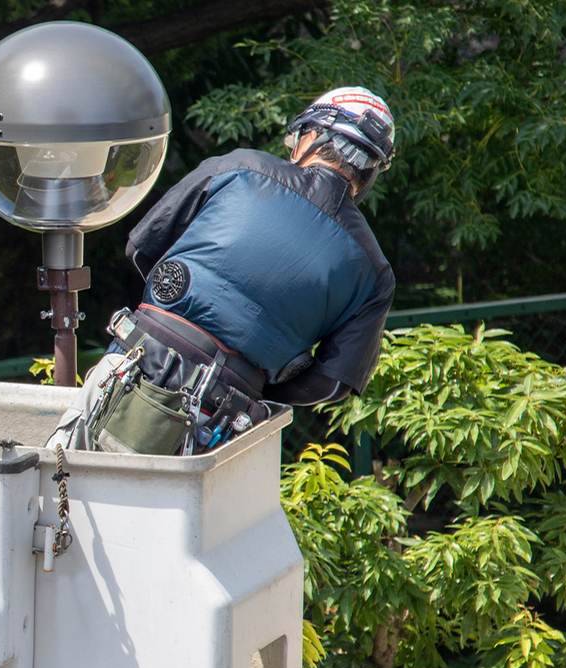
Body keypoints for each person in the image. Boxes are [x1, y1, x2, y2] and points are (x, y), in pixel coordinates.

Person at [48, 86, 397, 454]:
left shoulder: (239, 167)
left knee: (60, 490)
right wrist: (251, 380)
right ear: (370, 170)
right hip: (222, 416)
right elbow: (330, 384)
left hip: (132, 365)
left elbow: (143, 246)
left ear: (313, 135)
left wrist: (172, 305)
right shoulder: (374, 271)